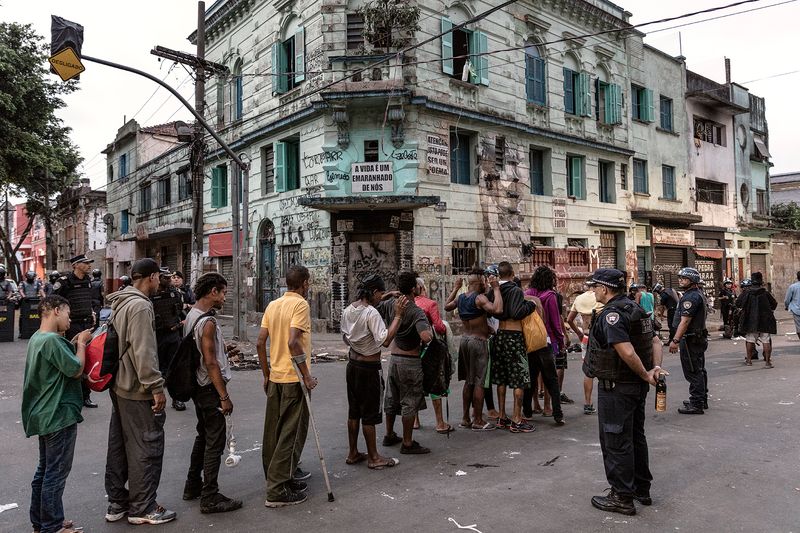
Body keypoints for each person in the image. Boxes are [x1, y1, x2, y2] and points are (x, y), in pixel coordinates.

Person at [583, 268, 664, 516]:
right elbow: (655, 341)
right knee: (635, 438)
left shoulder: (612, 314)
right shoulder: (635, 308)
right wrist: (654, 369)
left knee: (616, 441)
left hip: (618, 387)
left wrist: (645, 374)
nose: (593, 290)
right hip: (635, 388)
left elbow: (627, 351)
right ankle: (641, 489)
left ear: (605, 289)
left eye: (594, 286)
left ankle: (622, 496)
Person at [104, 258, 176, 525]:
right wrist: (156, 387)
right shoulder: (140, 307)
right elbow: (144, 353)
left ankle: (118, 502)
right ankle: (143, 507)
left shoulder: (121, 301)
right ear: (152, 277)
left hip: (119, 385)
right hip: (136, 388)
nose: (161, 282)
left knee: (120, 446)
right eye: (160, 277)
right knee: (147, 444)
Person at [22, 295, 92, 533]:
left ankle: (42, 521)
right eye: (67, 313)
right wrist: (82, 344)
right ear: (53, 310)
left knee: (45, 470)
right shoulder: (52, 340)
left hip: (44, 414)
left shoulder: (38, 338)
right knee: (56, 472)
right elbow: (75, 369)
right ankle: (52, 525)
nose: (69, 319)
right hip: (57, 414)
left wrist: (72, 345)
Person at [182, 272, 243, 514]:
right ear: (212, 292)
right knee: (214, 442)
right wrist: (224, 397)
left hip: (198, 386)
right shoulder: (207, 322)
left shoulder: (192, 316)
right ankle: (209, 496)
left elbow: (204, 352)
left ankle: (192, 485)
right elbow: (210, 362)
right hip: (209, 388)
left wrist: (223, 348)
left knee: (203, 436)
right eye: (223, 292)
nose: (224, 297)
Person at [257, 264, 316, 507]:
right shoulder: (300, 304)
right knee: (290, 435)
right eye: (308, 283)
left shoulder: (273, 304)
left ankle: (281, 477)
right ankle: (276, 490)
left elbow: (260, 343)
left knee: (275, 432)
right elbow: (293, 342)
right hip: (293, 378)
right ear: (304, 284)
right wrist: (307, 376)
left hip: (276, 377)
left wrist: (266, 374)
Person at [340, 274, 405, 469]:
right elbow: (385, 340)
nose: (382, 297)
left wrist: (388, 295)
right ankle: (374, 457)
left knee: (354, 412)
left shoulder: (349, 310)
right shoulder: (372, 314)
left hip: (353, 365)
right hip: (369, 368)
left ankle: (352, 453)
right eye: (381, 293)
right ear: (374, 292)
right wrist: (398, 315)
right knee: (369, 413)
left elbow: (345, 337)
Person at [377, 271, 435, 453]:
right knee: (409, 401)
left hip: (393, 359)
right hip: (410, 361)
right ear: (413, 289)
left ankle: (389, 434)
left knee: (392, 398)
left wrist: (388, 294)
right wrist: (431, 334)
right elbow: (425, 337)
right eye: (417, 285)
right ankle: (408, 443)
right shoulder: (416, 311)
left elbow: (375, 304)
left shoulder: (389, 305)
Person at [444, 268, 503, 431]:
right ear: (478, 283)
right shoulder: (480, 298)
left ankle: (465, 418)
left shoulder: (462, 298)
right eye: (484, 280)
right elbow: (497, 310)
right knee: (478, 381)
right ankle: (477, 420)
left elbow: (447, 306)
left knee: (469, 381)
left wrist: (456, 288)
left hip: (465, 340)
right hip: (478, 342)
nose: (486, 283)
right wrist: (497, 288)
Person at [487, 261, 536, 433]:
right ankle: (516, 418)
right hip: (514, 337)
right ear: (512, 273)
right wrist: (531, 305)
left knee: (501, 378)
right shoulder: (515, 290)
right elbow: (517, 312)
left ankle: (502, 416)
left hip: (499, 335)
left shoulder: (494, 291)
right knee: (519, 379)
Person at [53, 254, 98, 409]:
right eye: (86, 263)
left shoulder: (88, 281)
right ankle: (70, 396)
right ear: (76, 265)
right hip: (71, 326)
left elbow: (91, 300)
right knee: (73, 361)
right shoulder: (64, 282)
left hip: (86, 324)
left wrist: (93, 312)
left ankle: (85, 396)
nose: (89, 265)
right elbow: (53, 303)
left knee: (87, 361)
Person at [523, 266, 564, 425]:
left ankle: (527, 412)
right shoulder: (551, 296)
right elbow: (555, 322)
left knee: (531, 379)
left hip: (530, 340)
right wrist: (560, 342)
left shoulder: (526, 294)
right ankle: (557, 414)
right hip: (546, 341)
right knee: (551, 379)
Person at [668, 268, 709, 414]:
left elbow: (685, 322)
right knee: (699, 369)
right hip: (697, 337)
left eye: (684, 278)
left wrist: (675, 340)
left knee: (693, 371)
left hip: (691, 338)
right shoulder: (696, 294)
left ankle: (696, 403)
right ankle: (701, 399)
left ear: (692, 281)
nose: (680, 280)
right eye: (680, 278)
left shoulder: (691, 297)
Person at [414, 277, 452, 433]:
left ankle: (415, 421)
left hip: (412, 349)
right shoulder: (430, 304)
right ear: (423, 288)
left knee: (416, 384)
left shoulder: (407, 305)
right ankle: (440, 422)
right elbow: (439, 327)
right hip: (428, 348)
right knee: (436, 381)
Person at [151, 267, 187, 411]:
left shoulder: (175, 293)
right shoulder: (149, 295)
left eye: (170, 277)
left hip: (173, 335)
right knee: (157, 369)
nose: (169, 280)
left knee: (175, 367)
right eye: (166, 277)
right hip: (157, 336)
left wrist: (179, 325)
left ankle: (177, 398)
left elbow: (179, 312)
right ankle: (156, 396)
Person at [566, 278, 604, 415]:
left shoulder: (580, 299)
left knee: (588, 372)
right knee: (604, 369)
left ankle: (588, 403)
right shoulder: (602, 297)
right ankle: (606, 401)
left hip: (586, 336)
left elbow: (569, 319)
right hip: (601, 337)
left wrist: (579, 334)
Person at [737, 272, 777, 368]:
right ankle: (767, 363)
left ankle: (749, 361)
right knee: (766, 341)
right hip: (765, 321)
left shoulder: (746, 293)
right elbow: (774, 304)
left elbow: (738, 303)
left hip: (750, 321)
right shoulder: (765, 293)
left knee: (750, 340)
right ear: (761, 281)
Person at [784, 271, 800, 341]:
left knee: (799, 328)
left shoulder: (792, 287)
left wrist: (787, 306)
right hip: (796, 309)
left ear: (797, 277)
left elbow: (787, 299)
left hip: (796, 310)